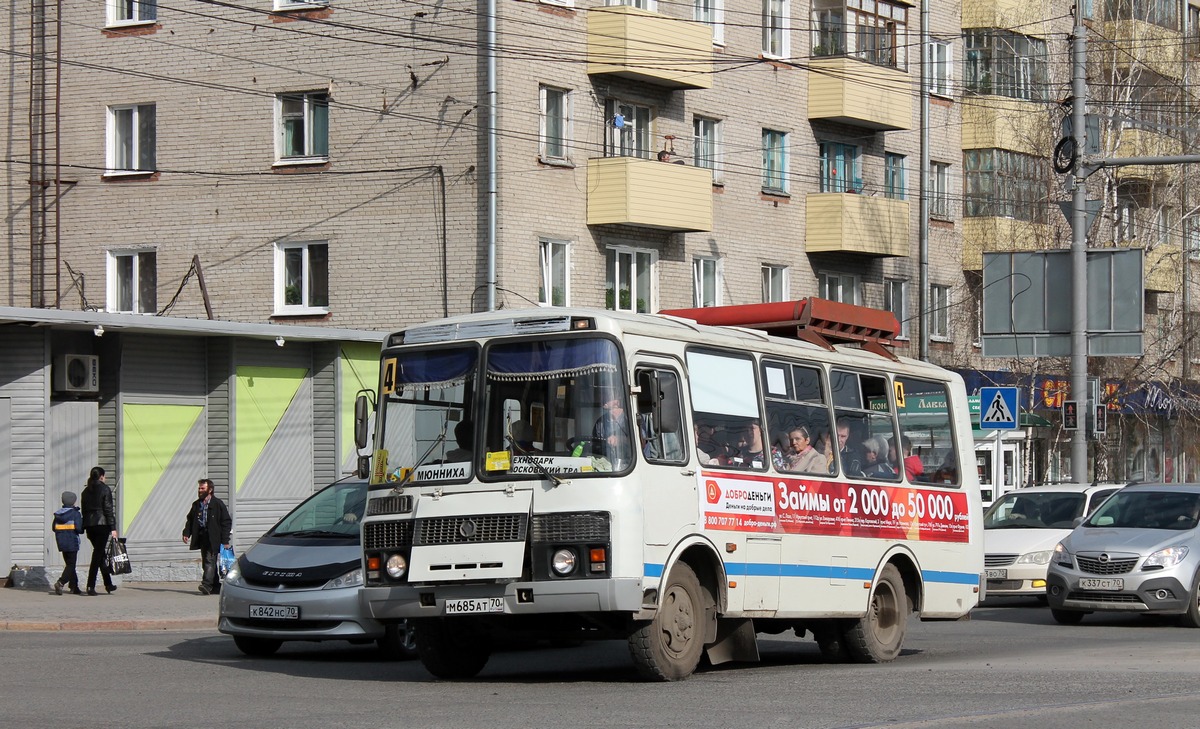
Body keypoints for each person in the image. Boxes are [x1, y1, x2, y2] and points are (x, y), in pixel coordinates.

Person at [182, 478, 233, 595]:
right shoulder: (196, 504)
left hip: (214, 538)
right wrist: (186, 533)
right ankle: (215, 587)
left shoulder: (217, 504)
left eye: (202, 488)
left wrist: (225, 540)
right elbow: (190, 520)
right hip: (202, 537)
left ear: (210, 490)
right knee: (207, 561)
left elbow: (226, 522)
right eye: (199, 488)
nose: (200, 490)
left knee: (209, 561)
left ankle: (206, 585)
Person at [80, 466, 118, 596]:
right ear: (101, 476)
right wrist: (113, 528)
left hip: (90, 526)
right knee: (97, 556)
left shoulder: (85, 491)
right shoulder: (104, 489)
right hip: (102, 525)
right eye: (105, 476)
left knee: (100, 555)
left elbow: (84, 511)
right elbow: (108, 510)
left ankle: (108, 584)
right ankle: (90, 585)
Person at [51, 490, 84, 596]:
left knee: (70, 564)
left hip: (62, 543)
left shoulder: (58, 514)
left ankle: (74, 587)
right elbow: (79, 529)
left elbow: (53, 528)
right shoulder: (75, 514)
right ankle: (61, 582)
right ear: (73, 502)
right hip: (72, 542)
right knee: (71, 565)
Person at [593, 391, 633, 468]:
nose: (603, 400)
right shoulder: (600, 422)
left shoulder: (632, 418)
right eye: (603, 397)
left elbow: (642, 443)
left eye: (607, 397)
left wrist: (620, 439)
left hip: (630, 464)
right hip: (607, 464)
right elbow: (596, 446)